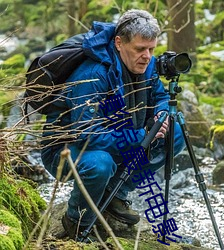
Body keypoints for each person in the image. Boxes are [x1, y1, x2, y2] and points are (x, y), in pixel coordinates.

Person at [41, 9, 185, 241]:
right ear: (119, 43)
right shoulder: (93, 74)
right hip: (67, 149)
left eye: (151, 49)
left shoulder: (146, 64)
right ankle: (76, 222)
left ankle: (115, 194)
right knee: (100, 164)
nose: (147, 56)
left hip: (120, 136)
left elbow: (159, 96)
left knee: (175, 132)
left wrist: (161, 114)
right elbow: (86, 134)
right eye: (140, 49)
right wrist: (141, 135)